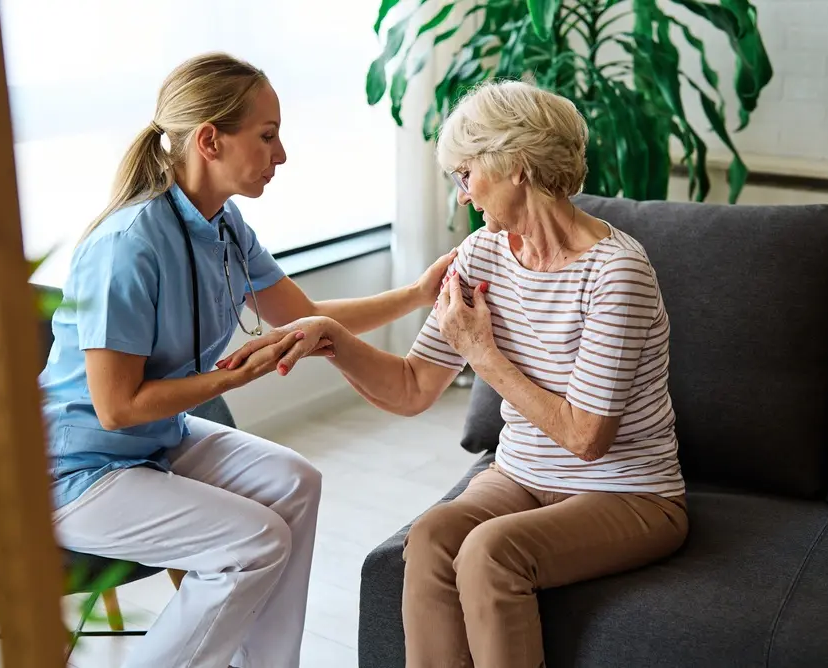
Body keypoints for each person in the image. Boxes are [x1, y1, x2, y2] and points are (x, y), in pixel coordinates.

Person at [223, 80, 689, 668]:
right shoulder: (482, 256)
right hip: (520, 476)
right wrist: (332, 340)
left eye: (467, 174)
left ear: (516, 166)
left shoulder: (617, 273)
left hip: (629, 494)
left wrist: (484, 354)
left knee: (490, 552)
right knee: (433, 535)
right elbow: (415, 386)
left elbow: (586, 438)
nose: (464, 197)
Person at [39, 52, 454, 668]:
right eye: (266, 136)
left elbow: (305, 316)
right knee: (254, 541)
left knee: (297, 482)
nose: (280, 154)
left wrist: (420, 294)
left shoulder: (224, 225)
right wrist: (236, 375)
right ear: (209, 139)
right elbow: (117, 406)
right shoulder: (126, 247)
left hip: (154, 441)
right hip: (71, 471)